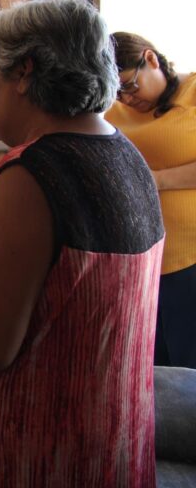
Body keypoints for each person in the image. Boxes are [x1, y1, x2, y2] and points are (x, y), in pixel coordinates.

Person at [0, 0, 163, 487]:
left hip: (39, 461)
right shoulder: (125, 156)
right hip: (109, 445)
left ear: (24, 73)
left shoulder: (33, 174)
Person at [105, 32, 196, 369]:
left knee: (188, 369)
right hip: (136, 259)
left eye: (129, 85)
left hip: (189, 257)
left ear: (152, 59)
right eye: (117, 92)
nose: (126, 99)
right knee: (149, 368)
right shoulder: (112, 109)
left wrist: (156, 180)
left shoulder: (193, 92)